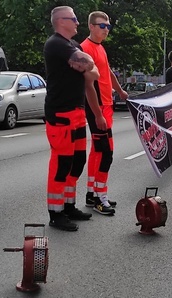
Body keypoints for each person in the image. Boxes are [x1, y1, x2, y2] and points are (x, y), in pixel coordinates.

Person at [43, 6, 107, 231]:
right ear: (61, 21)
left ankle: (69, 205)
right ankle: (56, 212)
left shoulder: (73, 46)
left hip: (77, 113)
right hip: (60, 115)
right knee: (62, 164)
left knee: (77, 161)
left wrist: (85, 67)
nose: (78, 22)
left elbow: (92, 75)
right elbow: (89, 66)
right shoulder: (56, 44)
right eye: (74, 19)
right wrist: (86, 66)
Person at [81, 11, 128, 215]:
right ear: (91, 26)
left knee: (98, 152)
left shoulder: (100, 48)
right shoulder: (85, 49)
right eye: (102, 26)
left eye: (108, 26)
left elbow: (107, 71)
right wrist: (97, 113)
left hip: (106, 106)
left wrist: (119, 90)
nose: (106, 30)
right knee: (106, 154)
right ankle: (101, 198)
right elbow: (88, 85)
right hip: (97, 108)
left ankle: (91, 193)